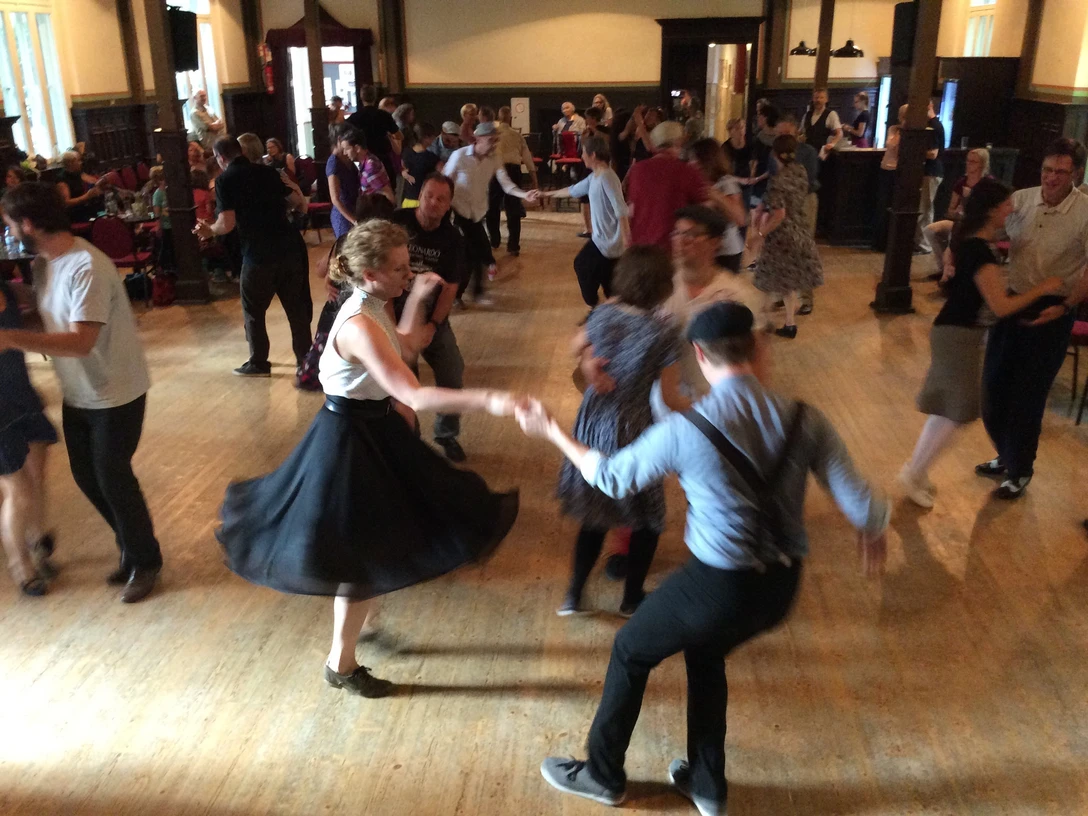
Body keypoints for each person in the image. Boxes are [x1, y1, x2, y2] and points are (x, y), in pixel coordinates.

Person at [524, 300, 890, 815]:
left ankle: (603, 775)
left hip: (718, 584)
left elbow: (610, 477)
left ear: (699, 354)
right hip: (781, 588)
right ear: (757, 346)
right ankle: (706, 783)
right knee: (706, 650)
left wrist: (552, 431)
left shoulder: (687, 429)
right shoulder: (807, 418)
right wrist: (874, 529)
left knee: (631, 648)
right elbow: (863, 504)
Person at [216, 219, 521, 698]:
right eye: (400, 268)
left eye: (408, 266)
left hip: (373, 429)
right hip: (350, 437)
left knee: (377, 540)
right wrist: (494, 402)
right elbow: (413, 395)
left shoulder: (372, 303)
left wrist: (418, 297)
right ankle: (340, 664)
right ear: (370, 272)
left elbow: (407, 344)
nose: (408, 272)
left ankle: (362, 617)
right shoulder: (358, 322)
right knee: (359, 556)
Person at [0, 182, 161, 603]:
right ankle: (131, 545)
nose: (9, 233)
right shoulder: (45, 265)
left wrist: (12, 338)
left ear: (29, 223)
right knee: (89, 478)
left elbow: (80, 341)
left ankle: (145, 561)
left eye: (10, 225)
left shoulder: (87, 266)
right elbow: (48, 318)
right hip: (79, 391)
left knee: (113, 477)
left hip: (116, 391)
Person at [899, 178, 1063, 508]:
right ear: (991, 210)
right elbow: (1001, 307)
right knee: (957, 413)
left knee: (950, 412)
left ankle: (915, 471)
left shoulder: (975, 242)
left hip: (956, 332)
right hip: (957, 335)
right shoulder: (978, 251)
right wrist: (1043, 288)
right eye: (1005, 206)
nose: (1011, 210)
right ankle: (913, 472)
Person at [554, 246, 687, 618]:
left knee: (595, 514)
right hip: (634, 426)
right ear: (662, 286)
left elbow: (573, 347)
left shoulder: (602, 314)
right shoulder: (664, 333)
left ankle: (573, 597)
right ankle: (631, 598)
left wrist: (589, 363)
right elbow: (672, 396)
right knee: (647, 517)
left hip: (593, 420)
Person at [974, 138, 1088, 499]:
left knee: (1027, 395)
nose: (1051, 178)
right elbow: (991, 231)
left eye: (1060, 172)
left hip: (1054, 309)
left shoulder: (1085, 211)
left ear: (1078, 174)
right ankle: (1005, 455)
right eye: (1047, 170)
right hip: (1014, 301)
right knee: (993, 387)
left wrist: (1067, 305)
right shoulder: (1022, 200)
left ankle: (1020, 469)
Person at [194, 136, 312, 380]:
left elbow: (226, 224)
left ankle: (259, 361)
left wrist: (209, 230)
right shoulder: (268, 172)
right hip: (289, 247)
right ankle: (305, 362)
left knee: (253, 310)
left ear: (220, 158)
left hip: (258, 254)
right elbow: (297, 203)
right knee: (296, 310)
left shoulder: (225, 180)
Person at [391, 174, 470, 461]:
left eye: (441, 199)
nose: (433, 203)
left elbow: (450, 288)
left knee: (452, 371)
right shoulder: (397, 222)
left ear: (449, 205)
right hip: (392, 314)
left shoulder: (452, 239)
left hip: (431, 316)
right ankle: (409, 440)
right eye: (429, 195)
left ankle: (446, 435)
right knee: (403, 381)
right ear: (419, 194)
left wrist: (433, 325)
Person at [0, 276, 57, 596]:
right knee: (17, 489)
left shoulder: (8, 288)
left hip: (22, 396)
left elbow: (40, 304)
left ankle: (38, 540)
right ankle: (21, 565)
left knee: (37, 477)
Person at [443, 121, 538, 307]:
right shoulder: (459, 156)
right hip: (458, 213)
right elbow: (444, 182)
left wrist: (523, 194)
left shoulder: (494, 159)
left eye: (496, 140)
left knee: (473, 256)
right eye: (491, 140)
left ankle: (465, 295)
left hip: (477, 213)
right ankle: (461, 295)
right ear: (477, 139)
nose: (494, 144)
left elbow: (506, 184)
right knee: (473, 254)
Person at [750, 135, 824, 339]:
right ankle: (790, 323)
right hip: (800, 229)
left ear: (774, 154)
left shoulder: (777, 181)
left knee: (765, 280)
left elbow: (779, 214)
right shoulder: (800, 171)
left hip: (781, 237)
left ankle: (761, 321)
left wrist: (759, 234)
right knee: (786, 282)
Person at [545, 134, 629, 309]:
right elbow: (573, 190)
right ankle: (608, 312)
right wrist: (544, 194)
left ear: (593, 155)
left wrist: (627, 241)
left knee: (582, 265)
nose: (582, 156)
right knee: (609, 284)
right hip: (603, 241)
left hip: (608, 243)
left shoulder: (607, 177)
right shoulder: (595, 177)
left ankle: (596, 308)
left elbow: (621, 209)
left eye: (584, 152)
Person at [624, 121, 709, 250]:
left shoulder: (637, 170)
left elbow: (631, 209)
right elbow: (705, 210)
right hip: (671, 249)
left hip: (639, 248)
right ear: (678, 142)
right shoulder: (686, 171)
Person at [774, 114, 821, 315]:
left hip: (804, 202)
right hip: (781, 202)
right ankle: (783, 295)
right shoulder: (774, 152)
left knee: (803, 248)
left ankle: (806, 298)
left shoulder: (807, 152)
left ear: (796, 133)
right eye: (780, 133)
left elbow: (807, 180)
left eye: (787, 133)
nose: (784, 137)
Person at [924, 148, 990, 281]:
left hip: (979, 225)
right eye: (968, 161)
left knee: (955, 233)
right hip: (960, 220)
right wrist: (957, 211)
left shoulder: (988, 184)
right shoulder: (962, 182)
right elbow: (950, 209)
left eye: (973, 162)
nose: (969, 164)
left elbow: (989, 212)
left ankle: (951, 273)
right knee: (930, 230)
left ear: (982, 164)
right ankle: (944, 267)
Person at [687, 139, 747, 272]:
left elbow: (740, 219)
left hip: (726, 252)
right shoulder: (694, 183)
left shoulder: (726, 182)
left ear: (708, 159)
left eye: (695, 159)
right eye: (690, 159)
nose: (691, 163)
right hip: (705, 250)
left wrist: (714, 195)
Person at [488, 106, 538, 257]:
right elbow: (528, 159)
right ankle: (513, 245)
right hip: (514, 170)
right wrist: (534, 180)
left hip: (495, 170)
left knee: (492, 207)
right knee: (513, 208)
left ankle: (495, 240)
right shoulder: (517, 136)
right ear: (510, 118)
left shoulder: (492, 135)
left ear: (498, 117)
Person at [346, 85, 402, 184]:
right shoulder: (384, 115)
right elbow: (399, 136)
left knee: (367, 193)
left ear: (361, 97)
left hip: (364, 162)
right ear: (375, 97)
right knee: (388, 191)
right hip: (383, 160)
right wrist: (389, 135)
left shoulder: (353, 118)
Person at [873, 104, 907, 252]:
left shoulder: (909, 132)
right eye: (902, 115)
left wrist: (904, 130)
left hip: (897, 172)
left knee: (894, 207)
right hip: (885, 168)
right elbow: (890, 144)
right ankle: (879, 241)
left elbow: (900, 149)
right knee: (882, 205)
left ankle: (891, 243)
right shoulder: (893, 129)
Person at [916, 98, 946, 253]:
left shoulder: (934, 126)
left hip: (932, 172)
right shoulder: (930, 125)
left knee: (926, 209)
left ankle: (925, 245)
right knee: (923, 208)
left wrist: (914, 151)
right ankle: (920, 242)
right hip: (928, 172)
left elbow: (933, 154)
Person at [327, 126, 365, 239]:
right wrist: (353, 220)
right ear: (339, 140)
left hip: (355, 209)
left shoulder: (347, 158)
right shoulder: (333, 162)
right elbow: (335, 199)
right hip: (343, 216)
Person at [57, 150, 105, 223]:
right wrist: (87, 196)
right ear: (71, 163)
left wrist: (103, 181)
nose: (81, 163)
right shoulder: (62, 180)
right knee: (101, 219)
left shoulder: (77, 173)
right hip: (75, 214)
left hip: (85, 208)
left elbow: (93, 180)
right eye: (78, 161)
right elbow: (66, 203)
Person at [400, 123, 442, 208]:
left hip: (407, 200)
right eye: (433, 137)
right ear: (426, 138)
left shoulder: (406, 152)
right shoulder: (431, 158)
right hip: (423, 202)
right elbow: (443, 174)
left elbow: (402, 168)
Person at [722, 118, 755, 212]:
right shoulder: (725, 148)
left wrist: (752, 175)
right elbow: (724, 171)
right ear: (730, 132)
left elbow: (753, 161)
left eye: (742, 128)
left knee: (745, 212)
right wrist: (740, 180)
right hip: (731, 183)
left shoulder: (749, 144)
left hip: (747, 184)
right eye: (736, 129)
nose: (740, 131)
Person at [800, 88, 842, 158]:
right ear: (813, 99)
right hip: (807, 153)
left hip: (822, 154)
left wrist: (832, 144)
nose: (818, 100)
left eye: (821, 97)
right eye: (816, 98)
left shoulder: (831, 114)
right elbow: (800, 132)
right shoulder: (807, 115)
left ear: (826, 99)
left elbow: (839, 133)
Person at [149, 166, 174, 270]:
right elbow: (157, 212)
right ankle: (165, 268)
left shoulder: (170, 191)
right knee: (167, 246)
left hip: (173, 223)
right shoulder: (158, 194)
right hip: (165, 225)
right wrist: (159, 226)